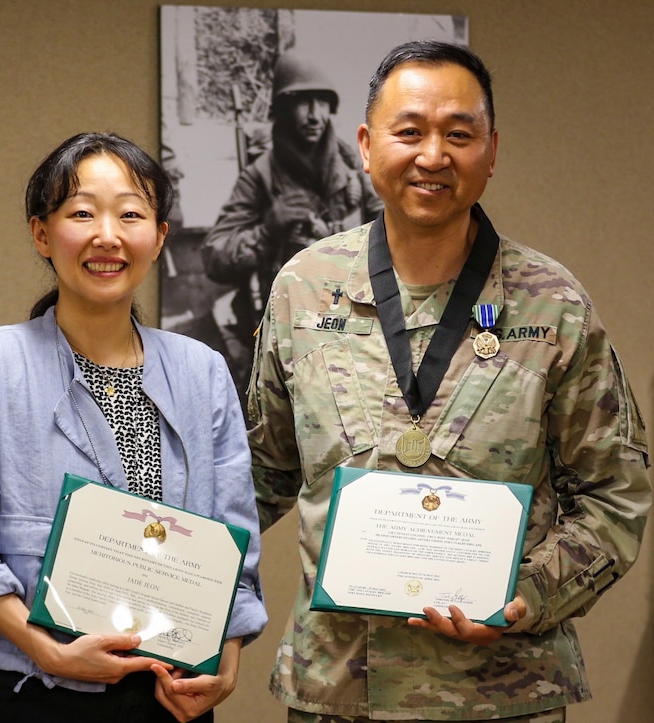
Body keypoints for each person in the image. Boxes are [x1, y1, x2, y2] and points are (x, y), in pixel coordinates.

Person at [248, 40, 651, 723]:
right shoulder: (304, 291)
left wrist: (528, 594)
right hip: (339, 697)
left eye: (458, 135)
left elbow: (617, 492)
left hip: (506, 697)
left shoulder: (553, 305)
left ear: (491, 152)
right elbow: (255, 477)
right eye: (410, 132)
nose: (433, 156)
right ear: (369, 145)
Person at [0, 132, 267, 722]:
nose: (107, 236)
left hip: (168, 694)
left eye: (130, 214)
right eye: (82, 213)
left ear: (159, 237)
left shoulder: (202, 371)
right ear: (41, 232)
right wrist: (48, 652)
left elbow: (234, 539)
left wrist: (227, 663)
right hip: (27, 689)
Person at [202, 49, 382, 402]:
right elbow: (214, 256)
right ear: (283, 109)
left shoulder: (354, 168)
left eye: (321, 102)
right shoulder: (260, 176)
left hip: (356, 331)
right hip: (285, 337)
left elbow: (396, 233)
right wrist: (268, 229)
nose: (314, 115)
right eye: (303, 102)